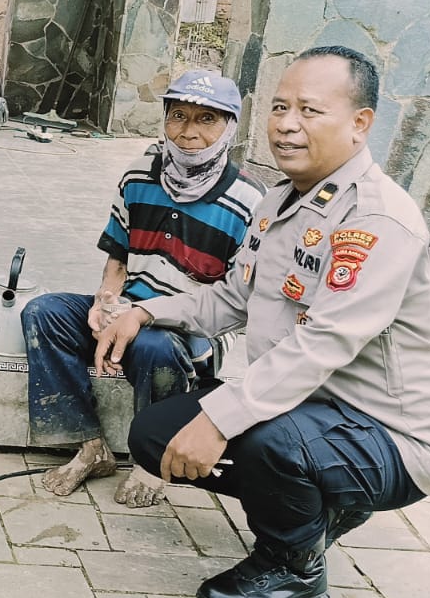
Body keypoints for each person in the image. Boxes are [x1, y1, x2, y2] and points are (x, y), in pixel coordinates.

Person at [97, 46, 430, 598]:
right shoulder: (278, 202)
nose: (287, 124)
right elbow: (230, 298)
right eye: (279, 107)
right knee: (156, 435)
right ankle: (320, 510)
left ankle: (293, 568)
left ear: (360, 123)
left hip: (389, 434)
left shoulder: (376, 220)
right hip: (308, 408)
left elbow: (323, 344)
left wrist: (219, 420)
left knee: (269, 441)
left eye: (309, 110)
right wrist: (145, 312)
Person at [22, 70, 265, 498]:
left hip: (195, 331)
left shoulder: (250, 201)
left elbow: (234, 301)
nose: (189, 132)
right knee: (44, 313)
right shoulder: (138, 178)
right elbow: (118, 257)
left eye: (207, 119)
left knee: (154, 345)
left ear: (230, 127)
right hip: (130, 309)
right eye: (178, 116)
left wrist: (145, 316)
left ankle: (152, 462)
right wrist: (105, 302)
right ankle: (89, 445)